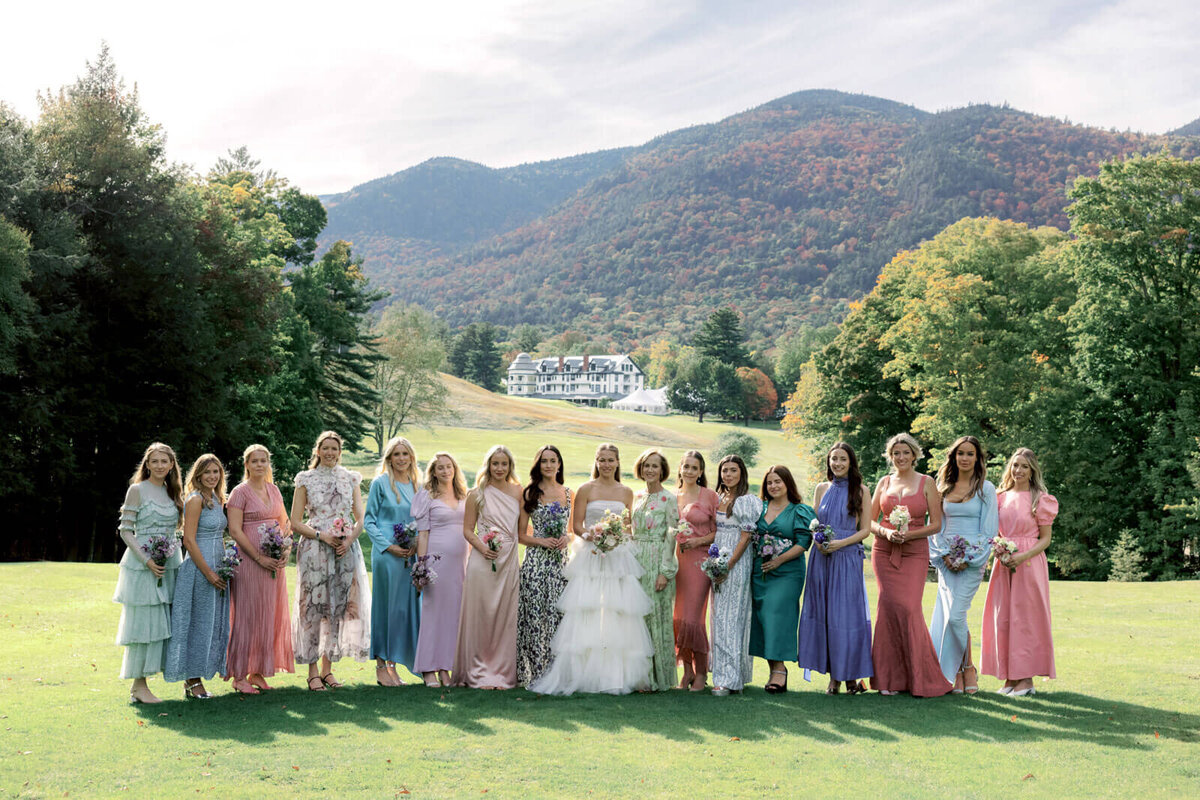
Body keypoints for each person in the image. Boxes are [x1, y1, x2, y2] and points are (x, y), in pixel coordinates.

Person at [529, 443, 653, 695]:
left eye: (610, 460)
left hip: (618, 558)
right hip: (592, 554)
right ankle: (585, 674)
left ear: (618, 463)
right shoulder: (585, 489)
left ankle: (621, 675)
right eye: (601, 460)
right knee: (587, 612)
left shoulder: (627, 492)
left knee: (620, 612)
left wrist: (617, 539)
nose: (606, 464)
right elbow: (576, 525)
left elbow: (628, 528)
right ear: (595, 462)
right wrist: (592, 535)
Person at [868, 434, 952, 697]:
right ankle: (888, 679)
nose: (901, 457)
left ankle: (920, 678)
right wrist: (886, 532)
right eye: (896, 453)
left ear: (914, 455)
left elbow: (937, 524)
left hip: (914, 552)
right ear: (890, 456)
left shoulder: (927, 483)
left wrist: (909, 535)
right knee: (888, 607)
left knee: (908, 607)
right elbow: (869, 521)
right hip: (884, 550)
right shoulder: (883, 482)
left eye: (905, 452)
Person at [290, 431, 371, 690]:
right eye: (325, 448)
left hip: (344, 549)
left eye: (334, 448)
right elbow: (294, 522)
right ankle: (312, 670)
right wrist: (321, 535)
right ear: (318, 451)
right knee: (314, 608)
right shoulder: (305, 480)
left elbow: (361, 517)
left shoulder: (351, 479)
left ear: (340, 451)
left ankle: (328, 669)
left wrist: (348, 539)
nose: (329, 452)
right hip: (315, 549)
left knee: (338, 606)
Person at [796, 444, 872, 695]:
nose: (837, 464)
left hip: (847, 557)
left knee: (846, 617)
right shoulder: (821, 488)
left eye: (842, 459)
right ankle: (833, 677)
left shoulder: (861, 490)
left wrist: (840, 543)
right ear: (828, 462)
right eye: (833, 459)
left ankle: (848, 675)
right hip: (822, 559)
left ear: (851, 462)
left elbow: (865, 530)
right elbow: (815, 522)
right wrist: (818, 539)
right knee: (825, 615)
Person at [981, 448, 1058, 696]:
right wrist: (1001, 552)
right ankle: (1010, 678)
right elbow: (995, 531)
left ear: (1032, 470)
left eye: (1024, 466)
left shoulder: (1040, 498)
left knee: (1025, 620)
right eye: (1015, 465)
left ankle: (1026, 679)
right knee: (1003, 618)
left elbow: (1045, 539)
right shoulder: (1000, 497)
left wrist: (1021, 556)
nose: (1019, 471)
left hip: (1029, 562)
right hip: (1004, 563)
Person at [114, 443, 185, 704]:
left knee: (162, 623)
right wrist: (146, 560)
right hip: (142, 565)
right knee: (144, 623)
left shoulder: (172, 492)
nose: (159, 466)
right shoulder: (137, 490)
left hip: (167, 564)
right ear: (147, 464)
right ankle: (138, 685)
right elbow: (125, 530)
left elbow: (176, 531)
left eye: (164, 461)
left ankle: (145, 683)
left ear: (171, 465)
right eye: (154, 461)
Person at [930, 435, 998, 693]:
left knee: (957, 616)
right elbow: (937, 525)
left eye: (970, 454)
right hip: (946, 561)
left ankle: (968, 668)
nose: (965, 458)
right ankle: (956, 672)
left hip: (972, 561)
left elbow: (990, 530)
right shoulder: (943, 487)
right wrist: (946, 555)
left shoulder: (986, 489)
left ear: (978, 458)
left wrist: (968, 558)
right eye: (961, 453)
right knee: (949, 617)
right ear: (954, 457)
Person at [225, 444, 293, 694]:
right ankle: (239, 675)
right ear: (247, 465)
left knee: (269, 615)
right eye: (254, 461)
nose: (260, 465)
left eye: (263, 461)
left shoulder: (274, 490)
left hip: (274, 564)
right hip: (249, 563)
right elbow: (234, 530)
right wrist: (257, 557)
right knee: (247, 617)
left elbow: (285, 523)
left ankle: (258, 672)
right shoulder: (239, 493)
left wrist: (285, 551)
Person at [453, 446, 522, 689]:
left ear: (510, 466)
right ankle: (477, 671)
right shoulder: (477, 493)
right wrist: (483, 548)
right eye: (495, 464)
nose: (500, 468)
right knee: (480, 615)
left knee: (504, 618)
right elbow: (467, 530)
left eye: (504, 464)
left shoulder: (519, 492)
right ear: (488, 465)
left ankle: (501, 672)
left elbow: (522, 531)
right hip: (482, 563)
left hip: (509, 563)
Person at [164, 454, 231, 699]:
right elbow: (189, 541)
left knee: (210, 624)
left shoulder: (216, 498)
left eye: (216, 472)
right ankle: (191, 681)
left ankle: (200, 674)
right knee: (196, 624)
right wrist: (210, 573)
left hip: (217, 567)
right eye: (207, 472)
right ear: (198, 474)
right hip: (199, 569)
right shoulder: (194, 500)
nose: (212, 476)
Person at [363, 436, 422, 687]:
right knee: (386, 608)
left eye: (405, 454)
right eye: (396, 454)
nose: (401, 459)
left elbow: (421, 520)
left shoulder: (417, 486)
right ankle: (380, 665)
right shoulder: (380, 483)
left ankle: (394, 665)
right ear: (389, 458)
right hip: (387, 554)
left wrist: (416, 543)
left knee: (404, 611)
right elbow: (369, 521)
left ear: (411, 458)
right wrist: (388, 546)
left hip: (410, 555)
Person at [750, 465, 814, 694]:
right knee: (762, 617)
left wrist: (779, 560)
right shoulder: (759, 508)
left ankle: (780, 670)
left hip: (788, 571)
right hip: (760, 571)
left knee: (777, 615)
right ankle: (774, 670)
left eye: (778, 481)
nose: (773, 486)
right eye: (769, 482)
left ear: (787, 483)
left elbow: (803, 543)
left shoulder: (800, 510)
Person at [516, 445, 572, 685]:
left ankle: (558, 674)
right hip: (536, 565)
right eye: (544, 461)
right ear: (538, 465)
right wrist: (541, 541)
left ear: (559, 464)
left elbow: (572, 531)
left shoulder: (570, 493)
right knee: (535, 618)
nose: (548, 465)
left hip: (561, 565)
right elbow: (520, 535)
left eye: (553, 460)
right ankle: (535, 673)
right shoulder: (530, 493)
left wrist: (566, 539)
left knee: (559, 619)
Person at [412, 452, 469, 688]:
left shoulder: (464, 495)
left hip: (461, 564)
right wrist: (421, 565)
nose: (446, 471)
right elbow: (422, 533)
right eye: (441, 468)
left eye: (449, 467)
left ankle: (447, 668)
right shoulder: (426, 496)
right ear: (433, 472)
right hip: (436, 563)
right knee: (433, 613)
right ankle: (428, 669)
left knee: (454, 615)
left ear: (455, 469)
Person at [709, 455, 761, 696]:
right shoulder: (719, 498)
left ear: (742, 473)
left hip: (736, 564)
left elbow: (746, 536)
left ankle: (728, 679)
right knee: (719, 619)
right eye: (724, 471)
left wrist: (729, 565)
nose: (728, 475)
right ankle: (727, 675)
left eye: (733, 470)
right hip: (718, 561)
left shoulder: (746, 501)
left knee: (731, 619)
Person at [630, 448, 679, 691]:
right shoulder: (637, 496)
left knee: (656, 618)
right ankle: (640, 676)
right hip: (635, 561)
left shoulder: (669, 498)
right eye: (646, 465)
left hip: (656, 559)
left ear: (662, 470)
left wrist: (665, 571)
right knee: (637, 618)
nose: (650, 469)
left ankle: (658, 677)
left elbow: (672, 537)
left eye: (655, 466)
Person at [674, 450, 718, 691]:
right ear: (680, 469)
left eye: (694, 467)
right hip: (676, 563)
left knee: (693, 618)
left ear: (701, 472)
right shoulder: (673, 496)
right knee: (678, 619)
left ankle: (701, 673)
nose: (689, 471)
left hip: (700, 563)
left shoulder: (710, 496)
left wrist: (698, 542)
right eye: (686, 466)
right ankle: (687, 671)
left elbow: (718, 532)